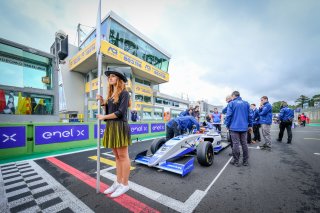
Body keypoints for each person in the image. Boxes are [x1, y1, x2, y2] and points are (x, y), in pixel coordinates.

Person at [96, 67, 131, 198]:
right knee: (117, 156)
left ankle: (125, 184)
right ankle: (118, 181)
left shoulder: (124, 93)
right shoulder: (111, 95)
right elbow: (109, 112)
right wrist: (103, 103)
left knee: (123, 156)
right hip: (111, 127)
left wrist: (103, 117)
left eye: (113, 76)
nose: (110, 78)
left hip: (120, 126)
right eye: (109, 76)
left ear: (119, 79)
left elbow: (120, 113)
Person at [225, 91, 252, 167]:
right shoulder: (246, 103)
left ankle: (236, 161)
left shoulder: (231, 103)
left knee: (236, 144)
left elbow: (228, 116)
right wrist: (250, 125)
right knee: (244, 144)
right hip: (244, 127)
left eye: (231, 96)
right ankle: (245, 161)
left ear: (233, 96)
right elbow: (250, 115)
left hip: (234, 127)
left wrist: (227, 125)